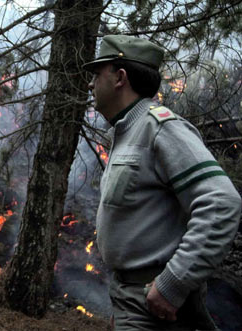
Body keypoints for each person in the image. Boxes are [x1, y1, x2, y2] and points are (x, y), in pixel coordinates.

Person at [82, 35, 241, 330]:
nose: (90, 84)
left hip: (153, 302)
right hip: (131, 298)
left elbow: (222, 202)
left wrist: (172, 284)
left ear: (120, 78)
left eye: (96, 75)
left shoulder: (161, 129)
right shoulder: (128, 131)